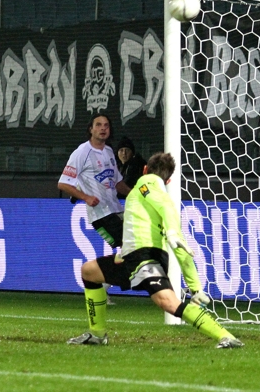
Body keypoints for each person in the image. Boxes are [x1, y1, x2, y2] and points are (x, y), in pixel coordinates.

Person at [67, 152, 243, 348]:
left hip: (144, 257)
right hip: (132, 256)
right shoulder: (157, 196)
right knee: (89, 272)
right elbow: (180, 248)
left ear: (144, 170)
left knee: (168, 302)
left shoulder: (146, 184)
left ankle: (226, 336)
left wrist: (173, 232)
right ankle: (97, 335)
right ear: (168, 179)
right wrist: (195, 286)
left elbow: (165, 206)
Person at [58, 113, 130, 304]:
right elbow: (63, 184)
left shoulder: (108, 152)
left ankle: (101, 285)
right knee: (131, 247)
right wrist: (85, 197)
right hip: (100, 215)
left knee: (132, 248)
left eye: (106, 125)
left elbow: (118, 183)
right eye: (98, 125)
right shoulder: (82, 152)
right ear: (91, 129)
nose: (103, 128)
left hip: (116, 209)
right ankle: (100, 284)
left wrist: (136, 195)